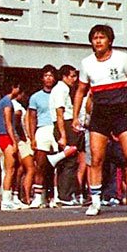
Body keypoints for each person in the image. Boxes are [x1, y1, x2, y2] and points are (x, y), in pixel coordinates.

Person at [73, 24, 127, 216]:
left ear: (109, 40)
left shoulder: (122, 58)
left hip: (121, 111)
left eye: (102, 37)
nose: (98, 41)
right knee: (96, 159)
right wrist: (77, 116)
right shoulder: (87, 63)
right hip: (99, 113)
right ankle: (95, 202)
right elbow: (81, 91)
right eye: (95, 38)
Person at [48, 65, 82, 205]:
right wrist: (63, 135)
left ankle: (64, 194)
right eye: (72, 76)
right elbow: (59, 113)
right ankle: (65, 196)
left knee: (66, 161)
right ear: (64, 76)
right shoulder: (61, 89)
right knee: (70, 162)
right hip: (65, 125)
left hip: (64, 125)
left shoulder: (62, 89)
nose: (74, 79)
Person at [26, 66, 59, 207]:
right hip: (42, 130)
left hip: (57, 129)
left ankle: (55, 197)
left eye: (51, 76)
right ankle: (38, 197)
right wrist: (32, 137)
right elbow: (32, 118)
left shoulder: (59, 94)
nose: (49, 78)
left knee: (58, 165)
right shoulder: (35, 97)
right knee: (40, 164)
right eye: (46, 76)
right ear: (42, 78)